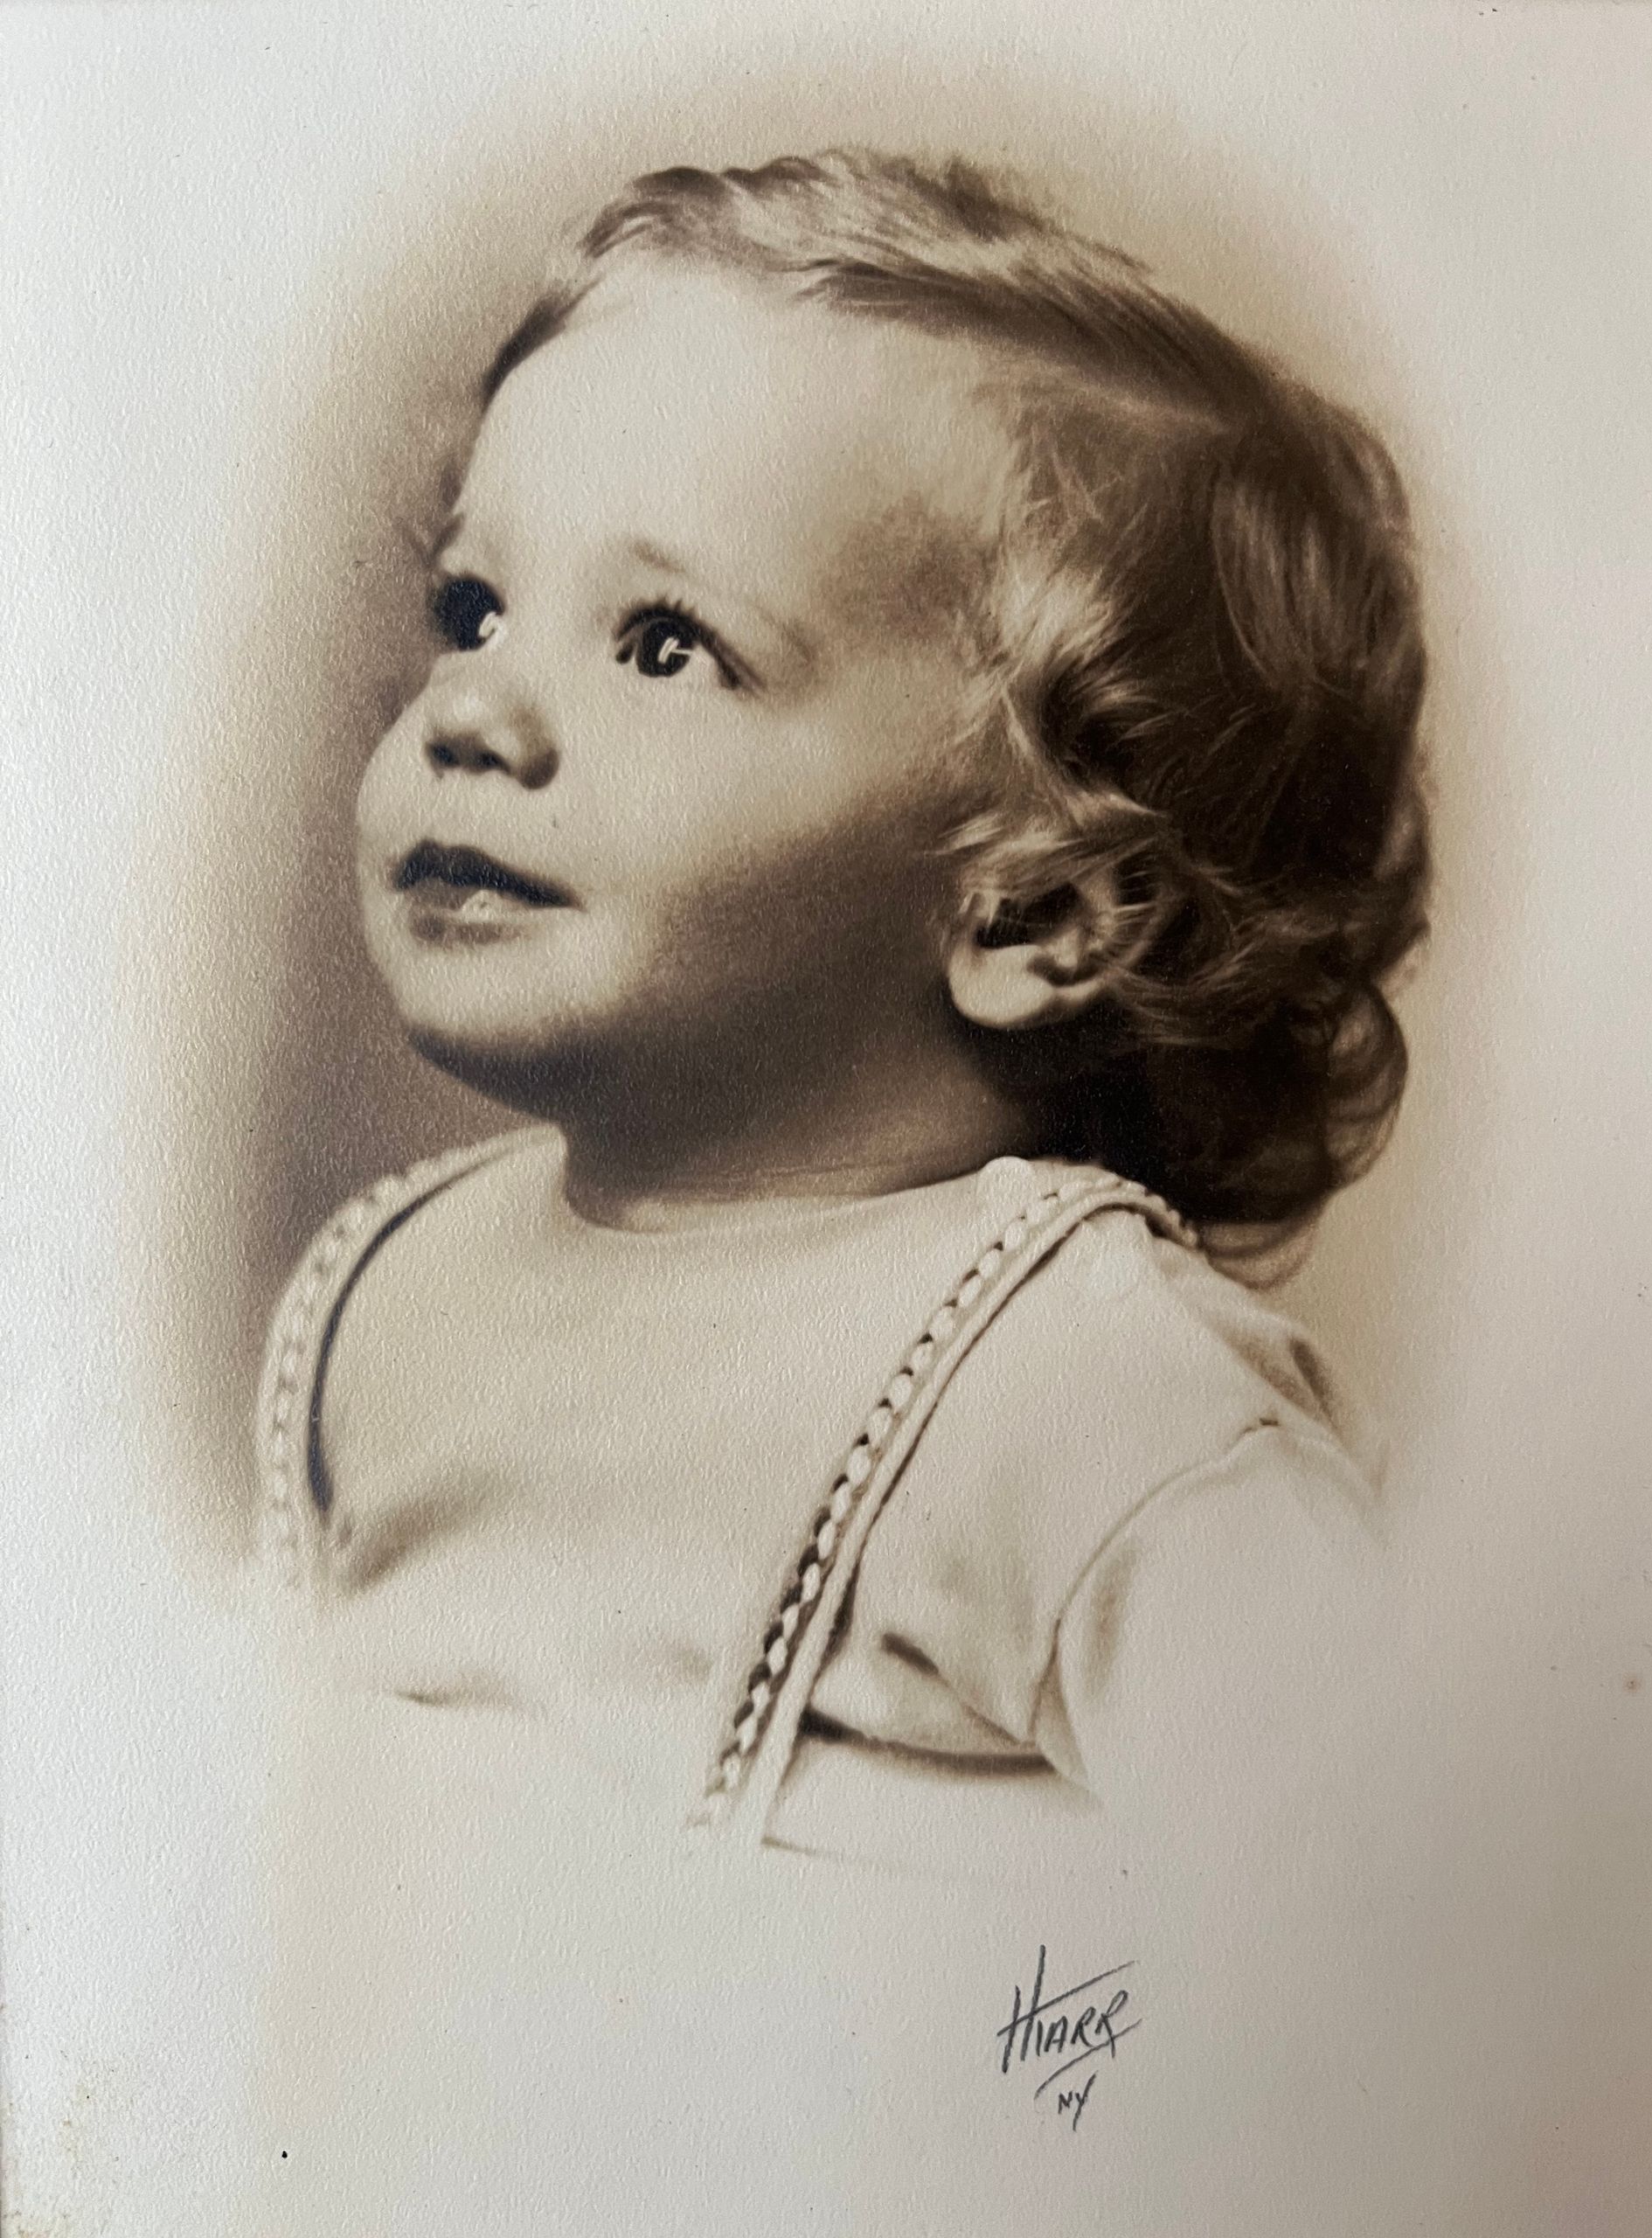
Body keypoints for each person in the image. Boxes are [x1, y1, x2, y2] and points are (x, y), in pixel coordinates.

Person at [254, 148, 1428, 1880]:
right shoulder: (387, 1292)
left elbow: (1382, 1920)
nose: (473, 709)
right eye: (475, 608)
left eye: (665, 643)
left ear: (1029, 908)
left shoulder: (1094, 1399)